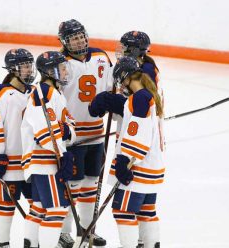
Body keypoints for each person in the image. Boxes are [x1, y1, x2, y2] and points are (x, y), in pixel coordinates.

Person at [89, 56, 165, 248]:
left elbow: (137, 132)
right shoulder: (148, 95)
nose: (122, 86)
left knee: (122, 211)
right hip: (153, 167)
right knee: (146, 212)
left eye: (121, 81)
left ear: (125, 77)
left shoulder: (139, 98)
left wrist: (124, 161)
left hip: (137, 167)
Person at [57, 19, 113, 247]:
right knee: (72, 185)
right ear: (64, 42)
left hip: (98, 134)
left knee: (91, 183)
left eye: (81, 36)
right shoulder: (60, 63)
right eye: (73, 38)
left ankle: (88, 228)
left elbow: (112, 88)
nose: (79, 41)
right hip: (73, 137)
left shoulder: (101, 56)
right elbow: (52, 98)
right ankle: (64, 231)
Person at [0, 48, 37, 248]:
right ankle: (2, 244)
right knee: (5, 205)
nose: (30, 70)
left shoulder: (35, 92)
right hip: (7, 164)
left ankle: (33, 243)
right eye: (25, 66)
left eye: (30, 65)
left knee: (37, 206)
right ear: (13, 69)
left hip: (32, 163)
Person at [21, 51, 77, 248]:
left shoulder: (55, 93)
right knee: (56, 210)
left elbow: (70, 128)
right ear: (50, 71)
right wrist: (62, 154)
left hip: (44, 160)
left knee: (39, 208)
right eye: (62, 68)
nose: (65, 72)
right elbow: (45, 132)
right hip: (45, 159)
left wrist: (65, 131)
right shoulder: (43, 92)